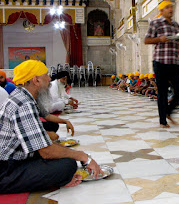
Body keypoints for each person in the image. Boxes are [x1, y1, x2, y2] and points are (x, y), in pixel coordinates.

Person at [0, 60, 103, 194]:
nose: (50, 79)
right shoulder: (24, 104)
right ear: (36, 80)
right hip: (5, 170)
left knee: (64, 157)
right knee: (67, 165)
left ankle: (60, 177)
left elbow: (40, 144)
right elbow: (46, 151)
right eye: (46, 75)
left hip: (16, 158)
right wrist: (84, 157)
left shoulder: (23, 97)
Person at [144, 0, 179, 128]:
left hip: (174, 63)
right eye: (167, 8)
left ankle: (168, 111)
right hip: (160, 62)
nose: (171, 10)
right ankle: (163, 121)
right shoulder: (155, 23)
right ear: (161, 11)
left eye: (171, 7)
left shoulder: (176, 26)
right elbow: (146, 40)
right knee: (162, 92)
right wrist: (159, 39)